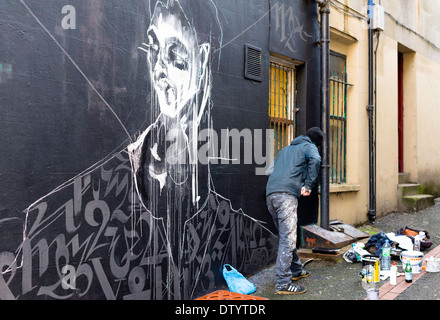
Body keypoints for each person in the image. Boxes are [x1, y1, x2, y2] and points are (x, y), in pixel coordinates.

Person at [266, 126, 322, 294]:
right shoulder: (309, 146)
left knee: (286, 235)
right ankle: (283, 284)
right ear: (315, 142)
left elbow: (272, 170)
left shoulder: (285, 150)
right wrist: (308, 185)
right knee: (288, 239)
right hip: (286, 196)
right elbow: (316, 160)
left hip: (271, 195)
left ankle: (296, 270)